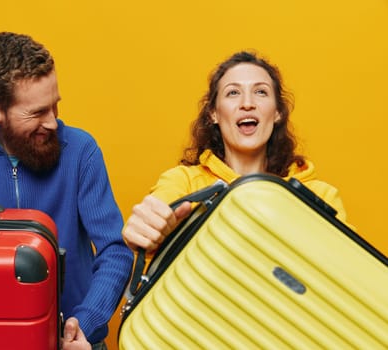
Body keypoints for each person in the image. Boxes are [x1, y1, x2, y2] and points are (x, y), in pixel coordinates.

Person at [0, 31, 133, 350]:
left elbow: (116, 250)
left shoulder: (82, 151)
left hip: (76, 343)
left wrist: (84, 324)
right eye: (36, 113)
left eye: (54, 106)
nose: (53, 122)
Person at [122, 50, 348, 252]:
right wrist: (147, 228)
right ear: (214, 114)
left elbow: (351, 269)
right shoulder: (183, 183)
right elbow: (159, 209)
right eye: (233, 93)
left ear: (277, 112)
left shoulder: (321, 195)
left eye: (260, 92)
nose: (247, 103)